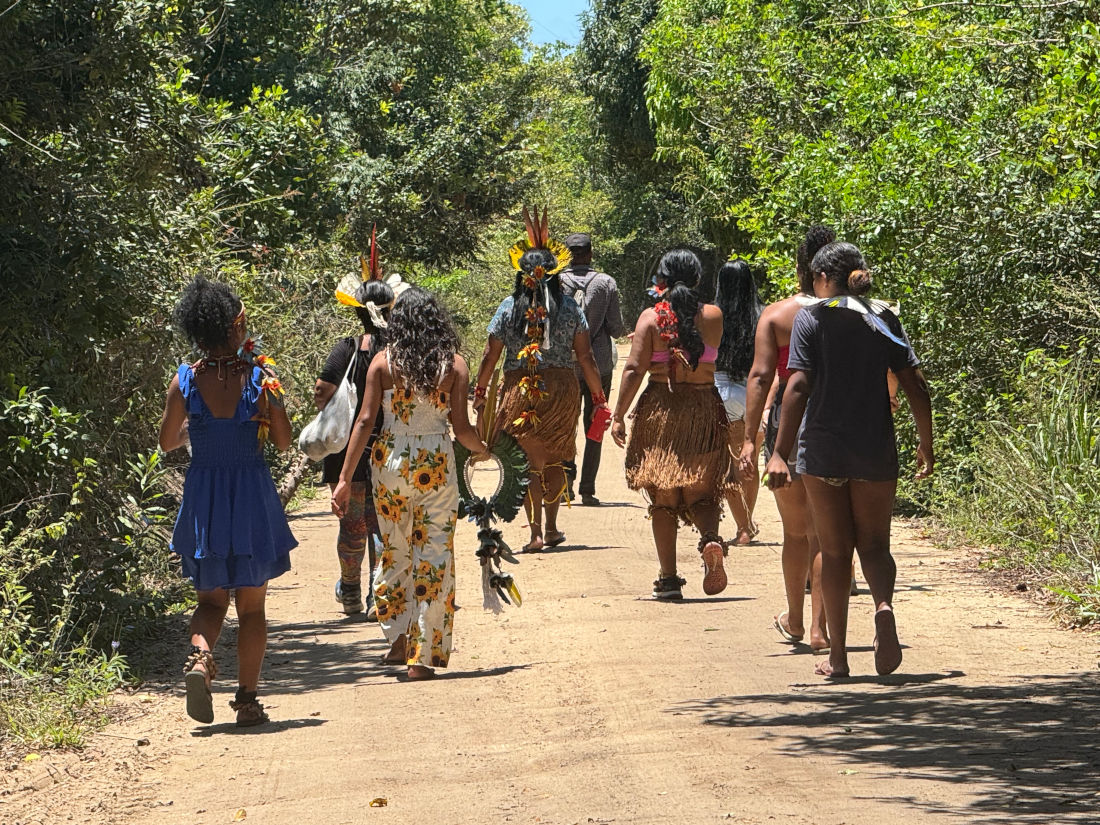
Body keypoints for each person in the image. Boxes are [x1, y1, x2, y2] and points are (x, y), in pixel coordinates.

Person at [766, 241, 933, 679]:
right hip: (875, 447)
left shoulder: (812, 318)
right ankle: (883, 607)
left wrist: (779, 452)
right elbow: (915, 383)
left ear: (822, 279)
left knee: (836, 552)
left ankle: (838, 658)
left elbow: (798, 386)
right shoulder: (883, 316)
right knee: (876, 545)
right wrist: (926, 442)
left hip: (823, 451)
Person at [159, 277, 296, 726]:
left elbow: (166, 441)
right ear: (237, 328)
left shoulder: (185, 381)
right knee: (252, 607)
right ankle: (248, 701)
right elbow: (281, 442)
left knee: (212, 602)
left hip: (205, 500)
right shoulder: (260, 379)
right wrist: (272, 403)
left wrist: (197, 433)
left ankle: (200, 659)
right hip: (251, 497)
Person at [332, 287, 488, 681]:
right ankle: (421, 655)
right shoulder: (454, 365)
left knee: (395, 549)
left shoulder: (382, 363)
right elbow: (461, 426)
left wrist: (345, 478)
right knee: (434, 553)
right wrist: (484, 451)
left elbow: (366, 422)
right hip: (435, 462)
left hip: (390, 463)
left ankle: (398, 637)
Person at [474, 208, 609, 552]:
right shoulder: (569, 308)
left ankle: (534, 530)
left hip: (520, 389)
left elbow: (491, 355)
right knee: (557, 456)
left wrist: (480, 391)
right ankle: (550, 527)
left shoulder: (507, 308)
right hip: (562, 390)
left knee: (528, 459)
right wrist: (597, 395)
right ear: (554, 273)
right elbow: (585, 357)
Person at [611, 249, 734, 600]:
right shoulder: (713, 316)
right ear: (697, 279)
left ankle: (668, 579)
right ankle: (711, 539)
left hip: (662, 412)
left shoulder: (649, 319)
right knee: (703, 489)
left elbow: (634, 369)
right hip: (704, 409)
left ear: (660, 281)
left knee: (664, 497)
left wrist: (618, 415)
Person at [740, 226, 835, 653]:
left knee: (796, 533)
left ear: (800, 267)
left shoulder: (777, 316)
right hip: (839, 425)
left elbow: (761, 376)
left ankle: (796, 620)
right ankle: (821, 629)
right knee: (826, 535)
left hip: (789, 428)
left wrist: (748, 438)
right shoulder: (854, 312)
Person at [315, 242, 407, 617]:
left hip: (349, 453)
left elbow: (321, 392)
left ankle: (351, 590)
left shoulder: (346, 348)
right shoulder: (400, 350)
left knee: (352, 524)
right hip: (393, 448)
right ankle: (377, 592)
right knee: (383, 525)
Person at [559, 232, 624, 506]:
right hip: (599, 364)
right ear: (591, 254)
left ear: (567, 255)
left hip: (566, 364)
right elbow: (617, 328)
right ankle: (588, 489)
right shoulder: (606, 283)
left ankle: (565, 485)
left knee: (565, 425)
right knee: (595, 422)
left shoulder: (556, 281)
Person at [712, 259, 765, 545]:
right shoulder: (763, 314)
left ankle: (743, 527)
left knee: (732, 464)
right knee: (750, 461)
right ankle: (748, 522)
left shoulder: (713, 314)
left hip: (722, 390)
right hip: (755, 392)